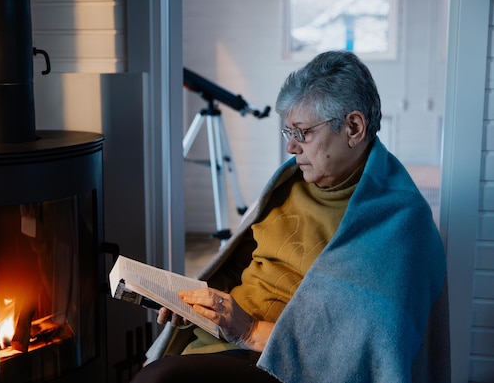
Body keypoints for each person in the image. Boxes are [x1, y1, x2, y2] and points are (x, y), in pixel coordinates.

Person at [131, 50, 449, 383]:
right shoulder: (287, 186)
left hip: (278, 364)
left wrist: (250, 330)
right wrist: (194, 304)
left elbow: (366, 353)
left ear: (353, 127)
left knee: (156, 380)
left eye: (302, 133)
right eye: (288, 133)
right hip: (218, 338)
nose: (291, 148)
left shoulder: (401, 223)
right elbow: (235, 269)